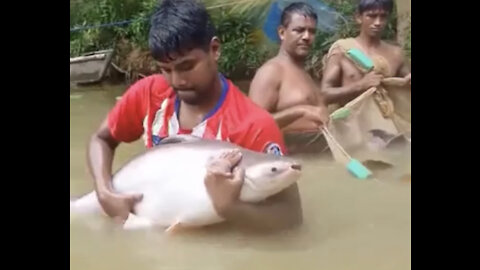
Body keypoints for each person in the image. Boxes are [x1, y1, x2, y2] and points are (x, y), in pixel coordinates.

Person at [87, 0, 302, 231]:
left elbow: (292, 218)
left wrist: (230, 208)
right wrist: (103, 192)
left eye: (187, 66)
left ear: (215, 50)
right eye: (166, 70)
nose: (177, 80)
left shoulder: (254, 125)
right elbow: (102, 139)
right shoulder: (148, 93)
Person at [248, 2, 330, 154]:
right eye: (299, 30)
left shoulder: (305, 73)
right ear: (282, 33)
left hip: (317, 157)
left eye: (311, 31)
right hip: (288, 160)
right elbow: (252, 127)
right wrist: (301, 111)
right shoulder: (271, 72)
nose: (306, 37)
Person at [320, 0, 411, 106]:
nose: (378, 22)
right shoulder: (342, 50)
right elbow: (324, 95)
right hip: (351, 121)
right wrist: (360, 85)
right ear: (359, 17)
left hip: (385, 120)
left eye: (383, 16)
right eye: (371, 16)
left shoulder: (396, 54)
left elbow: (407, 85)